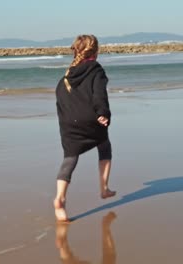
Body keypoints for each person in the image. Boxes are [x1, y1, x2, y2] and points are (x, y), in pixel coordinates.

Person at [54, 34, 116, 222]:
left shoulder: (68, 72)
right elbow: (99, 95)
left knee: (70, 158)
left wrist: (67, 120)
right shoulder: (96, 70)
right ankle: (104, 189)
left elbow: (60, 95)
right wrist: (103, 113)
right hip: (90, 119)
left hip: (68, 122)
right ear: (96, 52)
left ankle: (60, 199)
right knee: (104, 146)